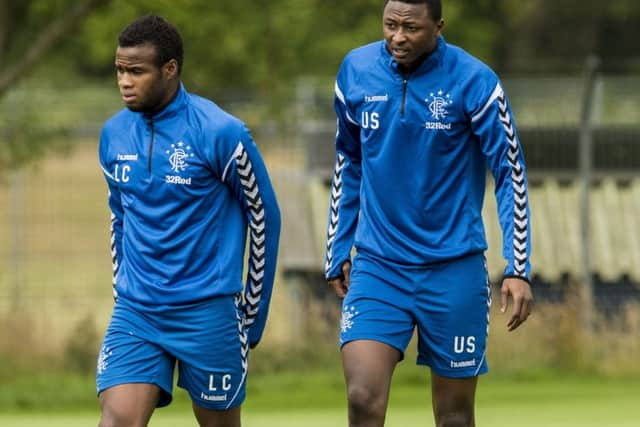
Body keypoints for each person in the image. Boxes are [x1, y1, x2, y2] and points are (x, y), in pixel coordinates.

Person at [324, 1, 533, 426]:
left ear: (438, 27)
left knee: (454, 415)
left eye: (411, 28)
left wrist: (519, 266)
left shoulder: (474, 81)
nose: (398, 37)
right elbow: (349, 161)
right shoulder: (356, 71)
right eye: (390, 25)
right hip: (379, 266)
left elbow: (509, 173)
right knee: (363, 396)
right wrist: (338, 245)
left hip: (453, 269)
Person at [96, 15, 280, 427]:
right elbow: (119, 215)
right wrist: (121, 285)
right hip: (137, 311)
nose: (125, 81)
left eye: (136, 71)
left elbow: (264, 216)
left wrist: (253, 310)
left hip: (208, 311)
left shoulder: (221, 132)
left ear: (170, 69)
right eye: (120, 71)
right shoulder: (113, 135)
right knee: (117, 421)